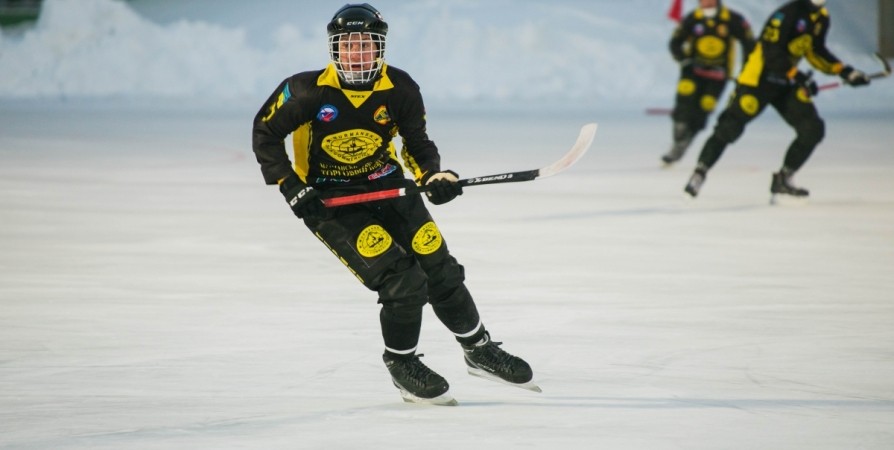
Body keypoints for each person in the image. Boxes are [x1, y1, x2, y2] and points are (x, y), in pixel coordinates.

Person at [251, 3, 537, 405]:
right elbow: (265, 133)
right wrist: (292, 187)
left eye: (366, 44)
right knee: (403, 281)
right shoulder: (305, 90)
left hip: (389, 188)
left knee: (438, 265)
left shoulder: (400, 88)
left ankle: (478, 349)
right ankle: (402, 364)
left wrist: (433, 176)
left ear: (379, 47)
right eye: (347, 45)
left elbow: (417, 143)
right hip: (332, 204)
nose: (357, 53)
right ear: (334, 48)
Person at [683, 0, 871, 200]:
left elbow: (815, 51)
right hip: (758, 80)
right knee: (730, 127)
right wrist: (797, 75)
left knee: (812, 128)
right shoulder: (787, 14)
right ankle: (700, 172)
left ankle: (784, 178)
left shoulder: (821, 18)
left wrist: (845, 71)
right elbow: (771, 50)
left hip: (785, 84)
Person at [662, 0, 755, 166]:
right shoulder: (693, 18)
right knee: (684, 104)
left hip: (718, 75)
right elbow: (675, 42)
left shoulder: (732, 19)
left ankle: (685, 142)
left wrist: (747, 72)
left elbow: (749, 44)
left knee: (705, 106)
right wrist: (684, 60)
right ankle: (677, 141)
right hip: (693, 72)